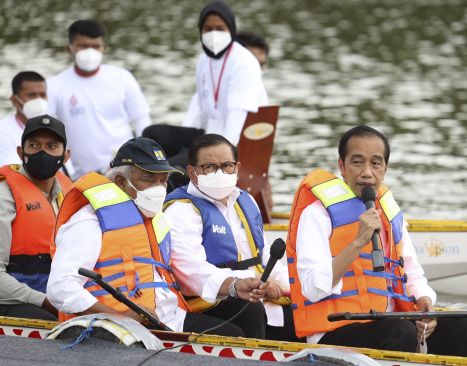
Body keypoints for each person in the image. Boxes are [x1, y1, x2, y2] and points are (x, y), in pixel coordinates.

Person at [286, 125, 467, 357]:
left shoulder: (389, 212)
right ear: (342, 166)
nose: (367, 173)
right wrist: (357, 242)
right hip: (334, 330)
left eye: (376, 163)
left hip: (392, 324)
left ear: (385, 168)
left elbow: (412, 273)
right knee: (400, 333)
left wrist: (424, 304)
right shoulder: (316, 213)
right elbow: (312, 288)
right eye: (357, 162)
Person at [47, 137, 267, 335]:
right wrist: (116, 317)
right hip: (118, 328)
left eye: (163, 180)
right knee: (230, 337)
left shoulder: (155, 218)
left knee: (242, 323)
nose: (159, 188)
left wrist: (233, 285)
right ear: (121, 183)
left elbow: (189, 269)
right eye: (148, 179)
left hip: (168, 319)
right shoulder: (89, 221)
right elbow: (60, 287)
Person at [163, 134, 299, 341]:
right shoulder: (180, 211)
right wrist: (241, 284)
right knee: (248, 308)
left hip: (257, 292)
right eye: (209, 167)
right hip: (210, 301)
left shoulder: (246, 200)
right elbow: (191, 271)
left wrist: (289, 285)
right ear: (192, 172)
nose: (219, 172)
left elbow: (261, 256)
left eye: (227, 165)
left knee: (305, 310)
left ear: (237, 167)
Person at [47, 20, 152, 179]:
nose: (90, 52)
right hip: (79, 176)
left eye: (95, 46)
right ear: (69, 49)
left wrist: (147, 160)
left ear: (104, 49)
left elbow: (141, 121)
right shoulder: (53, 85)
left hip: (124, 169)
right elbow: (48, 134)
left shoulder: (122, 77)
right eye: (83, 46)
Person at [0, 114, 72, 320]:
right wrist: (43, 301)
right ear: (21, 152)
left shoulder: (68, 191)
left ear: (65, 156)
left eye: (51, 146)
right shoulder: (4, 194)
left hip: (57, 294)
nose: (42, 152)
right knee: (56, 325)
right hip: (13, 299)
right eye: (34, 145)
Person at [181, 0, 268, 145]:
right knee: (154, 133)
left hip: (229, 146)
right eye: (208, 29)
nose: (214, 34)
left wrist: (220, 162)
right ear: (200, 31)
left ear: (231, 30)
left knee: (174, 162)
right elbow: (198, 113)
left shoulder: (243, 62)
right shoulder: (203, 61)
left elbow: (234, 127)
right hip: (208, 135)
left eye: (220, 29)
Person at [0, 72, 49, 166]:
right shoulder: (3, 133)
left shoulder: (53, 126)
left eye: (42, 95)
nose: (39, 100)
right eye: (32, 95)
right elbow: (11, 173)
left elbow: (68, 172)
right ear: (14, 100)